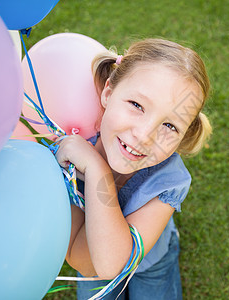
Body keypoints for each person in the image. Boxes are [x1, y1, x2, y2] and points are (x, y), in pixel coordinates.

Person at [55, 38, 212, 299]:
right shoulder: (69, 150)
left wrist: (97, 170)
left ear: (183, 136)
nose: (144, 136)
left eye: (170, 126)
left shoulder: (170, 179)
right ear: (108, 92)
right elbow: (85, 261)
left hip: (152, 261)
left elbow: (112, 263)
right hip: (96, 266)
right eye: (137, 105)